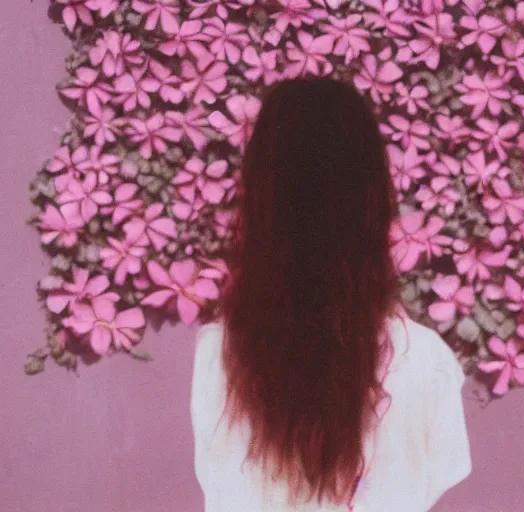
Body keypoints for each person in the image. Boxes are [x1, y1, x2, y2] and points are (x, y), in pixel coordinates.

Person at [190, 77, 471, 511]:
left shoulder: (219, 358)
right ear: (372, 201)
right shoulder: (428, 364)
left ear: (264, 201)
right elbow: (437, 475)